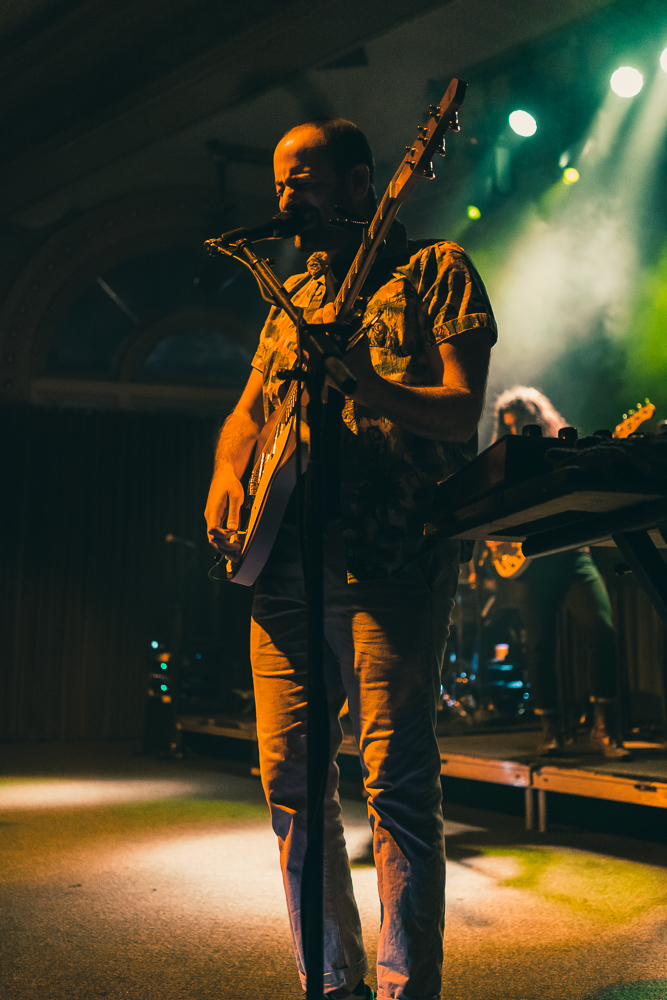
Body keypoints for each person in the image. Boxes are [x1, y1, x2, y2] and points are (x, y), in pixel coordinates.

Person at [205, 118, 497, 1000]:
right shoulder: (292, 293)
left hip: (389, 561)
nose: (284, 195)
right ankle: (329, 984)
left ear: (363, 182)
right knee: (291, 784)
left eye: (302, 177)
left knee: (396, 786)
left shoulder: (434, 271)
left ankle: (409, 989)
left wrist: (360, 383)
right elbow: (250, 413)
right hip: (284, 566)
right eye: (277, 179)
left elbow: (458, 413)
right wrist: (226, 470)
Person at [490, 385, 630, 759]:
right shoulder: (505, 461)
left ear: (538, 420)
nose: (518, 431)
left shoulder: (562, 450)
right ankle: (551, 730)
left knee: (602, 631)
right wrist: (498, 542)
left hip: (572, 555)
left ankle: (607, 731)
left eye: (523, 423)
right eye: (510, 427)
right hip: (532, 563)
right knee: (539, 646)